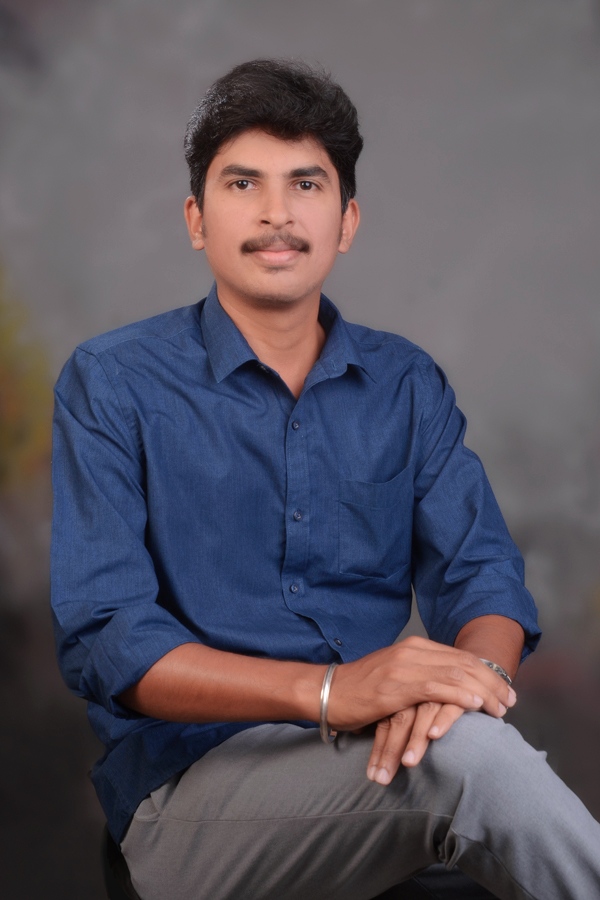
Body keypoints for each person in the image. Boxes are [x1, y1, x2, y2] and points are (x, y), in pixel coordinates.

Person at [51, 59, 600, 900]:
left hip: (388, 761)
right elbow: (109, 638)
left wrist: (464, 691)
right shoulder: (114, 381)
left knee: (479, 774)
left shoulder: (405, 383)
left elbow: (482, 576)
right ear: (197, 219)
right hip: (190, 790)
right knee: (479, 772)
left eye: (305, 184)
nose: (277, 213)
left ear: (346, 222)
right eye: (244, 184)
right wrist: (334, 691)